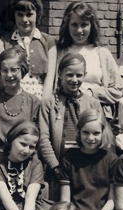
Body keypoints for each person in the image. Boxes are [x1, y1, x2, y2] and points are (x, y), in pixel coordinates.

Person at [60, 109, 119, 210]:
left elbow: (112, 201)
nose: (90, 138)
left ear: (103, 133)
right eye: (86, 132)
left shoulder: (111, 159)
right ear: (79, 132)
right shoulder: (70, 158)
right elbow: (65, 200)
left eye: (96, 133)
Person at [38, 53, 106, 189]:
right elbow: (43, 138)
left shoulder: (93, 103)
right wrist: (55, 167)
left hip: (86, 171)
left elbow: (102, 137)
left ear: (85, 75)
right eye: (69, 75)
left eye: (79, 75)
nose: (74, 80)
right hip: (56, 171)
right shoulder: (49, 103)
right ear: (60, 74)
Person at [0, 48, 41, 172]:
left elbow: (36, 140)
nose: (9, 75)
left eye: (14, 70)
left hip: (25, 161)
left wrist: (32, 169)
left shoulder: (33, 102)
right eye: (4, 70)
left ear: (23, 69)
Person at [54, 1, 123, 107]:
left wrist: (92, 93)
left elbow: (117, 91)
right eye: (74, 25)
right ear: (67, 25)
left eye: (84, 25)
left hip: (95, 111)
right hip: (64, 109)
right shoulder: (58, 53)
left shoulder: (102, 54)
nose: (79, 30)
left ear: (92, 25)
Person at [0, 0, 57, 100]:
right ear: (14, 15)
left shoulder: (48, 41)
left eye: (29, 14)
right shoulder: (5, 41)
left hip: (40, 96)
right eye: (20, 15)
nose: (24, 20)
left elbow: (50, 78)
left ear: (37, 14)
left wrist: (44, 102)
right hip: (13, 96)